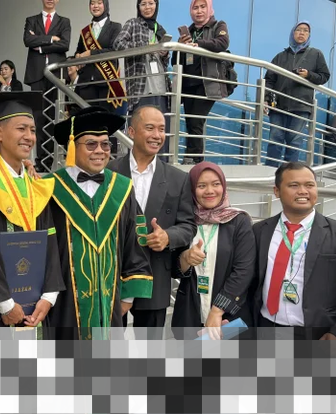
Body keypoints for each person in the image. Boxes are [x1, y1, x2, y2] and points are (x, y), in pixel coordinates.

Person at [47, 107, 153, 340]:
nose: (100, 151)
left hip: (110, 302)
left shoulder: (122, 188)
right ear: (72, 147)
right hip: (63, 304)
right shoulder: (48, 188)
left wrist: (127, 296)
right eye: (91, 144)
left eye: (106, 144)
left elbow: (134, 241)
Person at [0, 92, 65, 329]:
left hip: (36, 308)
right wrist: (6, 305)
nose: (29, 137)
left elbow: (50, 242)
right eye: (21, 129)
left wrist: (49, 297)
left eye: (33, 130)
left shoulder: (36, 186)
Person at [253, 162, 336, 357]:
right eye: (294, 185)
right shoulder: (259, 231)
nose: (303, 191)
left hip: (320, 335)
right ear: (277, 191)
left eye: (310, 185)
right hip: (266, 328)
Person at [108, 106, 196, 339]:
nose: (157, 135)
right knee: (108, 347)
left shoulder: (178, 178)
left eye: (161, 129)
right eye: (149, 128)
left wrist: (168, 236)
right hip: (113, 275)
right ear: (131, 131)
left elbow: (188, 226)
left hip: (155, 274)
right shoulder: (109, 171)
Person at [171, 162, 256, 340]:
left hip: (228, 318)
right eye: (201, 186)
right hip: (190, 315)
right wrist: (185, 259)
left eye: (216, 184)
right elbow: (171, 268)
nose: (210, 191)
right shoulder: (185, 221)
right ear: (191, 189)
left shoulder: (238, 221)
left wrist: (218, 310)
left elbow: (244, 270)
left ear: (223, 186)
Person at [264, 22, 330, 167]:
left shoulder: (316, 54)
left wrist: (309, 75)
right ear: (292, 33)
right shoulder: (280, 56)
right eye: (298, 30)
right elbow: (269, 80)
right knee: (275, 138)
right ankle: (270, 171)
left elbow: (324, 76)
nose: (301, 33)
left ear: (309, 35)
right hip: (278, 105)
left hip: (301, 105)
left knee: (294, 141)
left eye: (305, 31)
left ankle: (290, 173)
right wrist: (266, 99)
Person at [172, 0, 230, 164]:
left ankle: (194, 159)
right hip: (188, 84)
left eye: (203, 7)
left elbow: (222, 43)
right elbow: (175, 62)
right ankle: (192, 157)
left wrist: (198, 44)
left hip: (207, 83)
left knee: (196, 120)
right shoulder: (189, 31)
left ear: (209, 8)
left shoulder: (218, 25)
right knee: (190, 121)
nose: (199, 11)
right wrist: (180, 47)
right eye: (195, 8)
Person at [114, 0, 171, 157]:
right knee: (141, 132)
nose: (147, 7)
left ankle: (160, 168)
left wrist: (164, 54)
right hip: (140, 88)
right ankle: (137, 166)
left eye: (151, 3)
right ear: (138, 7)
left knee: (160, 133)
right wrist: (143, 48)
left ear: (156, 6)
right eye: (143, 4)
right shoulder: (132, 23)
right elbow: (118, 44)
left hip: (161, 87)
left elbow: (165, 61)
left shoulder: (159, 28)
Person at [23, 0, 71, 172]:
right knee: (37, 118)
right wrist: (51, 38)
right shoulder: (31, 20)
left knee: (53, 117)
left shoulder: (64, 21)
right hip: (36, 74)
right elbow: (28, 40)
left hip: (56, 75)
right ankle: (40, 160)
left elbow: (65, 44)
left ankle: (51, 159)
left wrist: (41, 46)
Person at [74, 0, 123, 112]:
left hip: (106, 82)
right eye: (92, 3)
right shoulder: (85, 31)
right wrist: (77, 56)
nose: (95, 6)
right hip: (86, 82)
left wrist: (91, 53)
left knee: (104, 120)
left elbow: (114, 50)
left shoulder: (115, 27)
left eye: (99, 3)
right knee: (87, 119)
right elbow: (79, 50)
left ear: (105, 5)